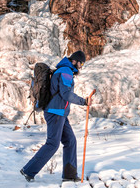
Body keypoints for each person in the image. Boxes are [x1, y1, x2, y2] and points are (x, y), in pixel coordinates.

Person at [20, 50, 93, 182]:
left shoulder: (64, 70)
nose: (80, 67)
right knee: (52, 144)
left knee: (70, 141)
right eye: (80, 63)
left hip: (60, 113)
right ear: (74, 61)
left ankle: (69, 176)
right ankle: (28, 170)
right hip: (55, 113)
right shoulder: (66, 71)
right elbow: (65, 94)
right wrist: (83, 101)